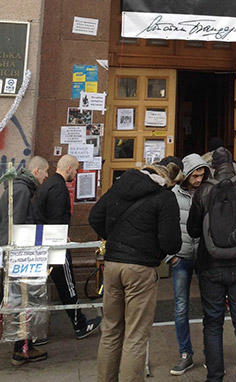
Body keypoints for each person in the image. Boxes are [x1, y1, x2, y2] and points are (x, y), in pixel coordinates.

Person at [89, 162, 181, 382]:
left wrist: (115, 238)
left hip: (112, 265)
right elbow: (171, 243)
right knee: (136, 336)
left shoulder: (120, 186)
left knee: (110, 331)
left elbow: (94, 217)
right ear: (167, 179)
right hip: (141, 269)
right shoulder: (165, 197)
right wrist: (153, 250)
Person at [187, 147, 236, 382]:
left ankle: (215, 377)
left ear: (213, 167)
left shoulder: (203, 191)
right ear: (233, 165)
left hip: (210, 265)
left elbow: (192, 229)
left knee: (213, 323)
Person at [33, 154, 101, 340]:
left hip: (47, 241)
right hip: (56, 244)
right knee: (68, 285)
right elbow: (56, 217)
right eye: (76, 169)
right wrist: (61, 237)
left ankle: (37, 335)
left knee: (60, 286)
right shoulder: (58, 187)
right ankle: (80, 325)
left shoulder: (48, 185)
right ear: (69, 168)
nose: (76, 173)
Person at [0, 156, 49, 365]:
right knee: (22, 301)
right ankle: (21, 350)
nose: (47, 176)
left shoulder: (18, 188)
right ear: (36, 171)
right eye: (46, 171)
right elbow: (17, 227)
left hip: (14, 256)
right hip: (18, 257)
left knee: (20, 302)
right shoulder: (22, 190)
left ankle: (23, 346)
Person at [167, 153, 210, 376]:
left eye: (202, 175)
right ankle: (185, 353)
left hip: (203, 257)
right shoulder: (172, 195)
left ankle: (210, 352)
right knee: (181, 307)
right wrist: (170, 256)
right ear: (186, 175)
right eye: (195, 175)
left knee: (209, 305)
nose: (199, 180)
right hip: (181, 257)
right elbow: (164, 225)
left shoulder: (207, 193)